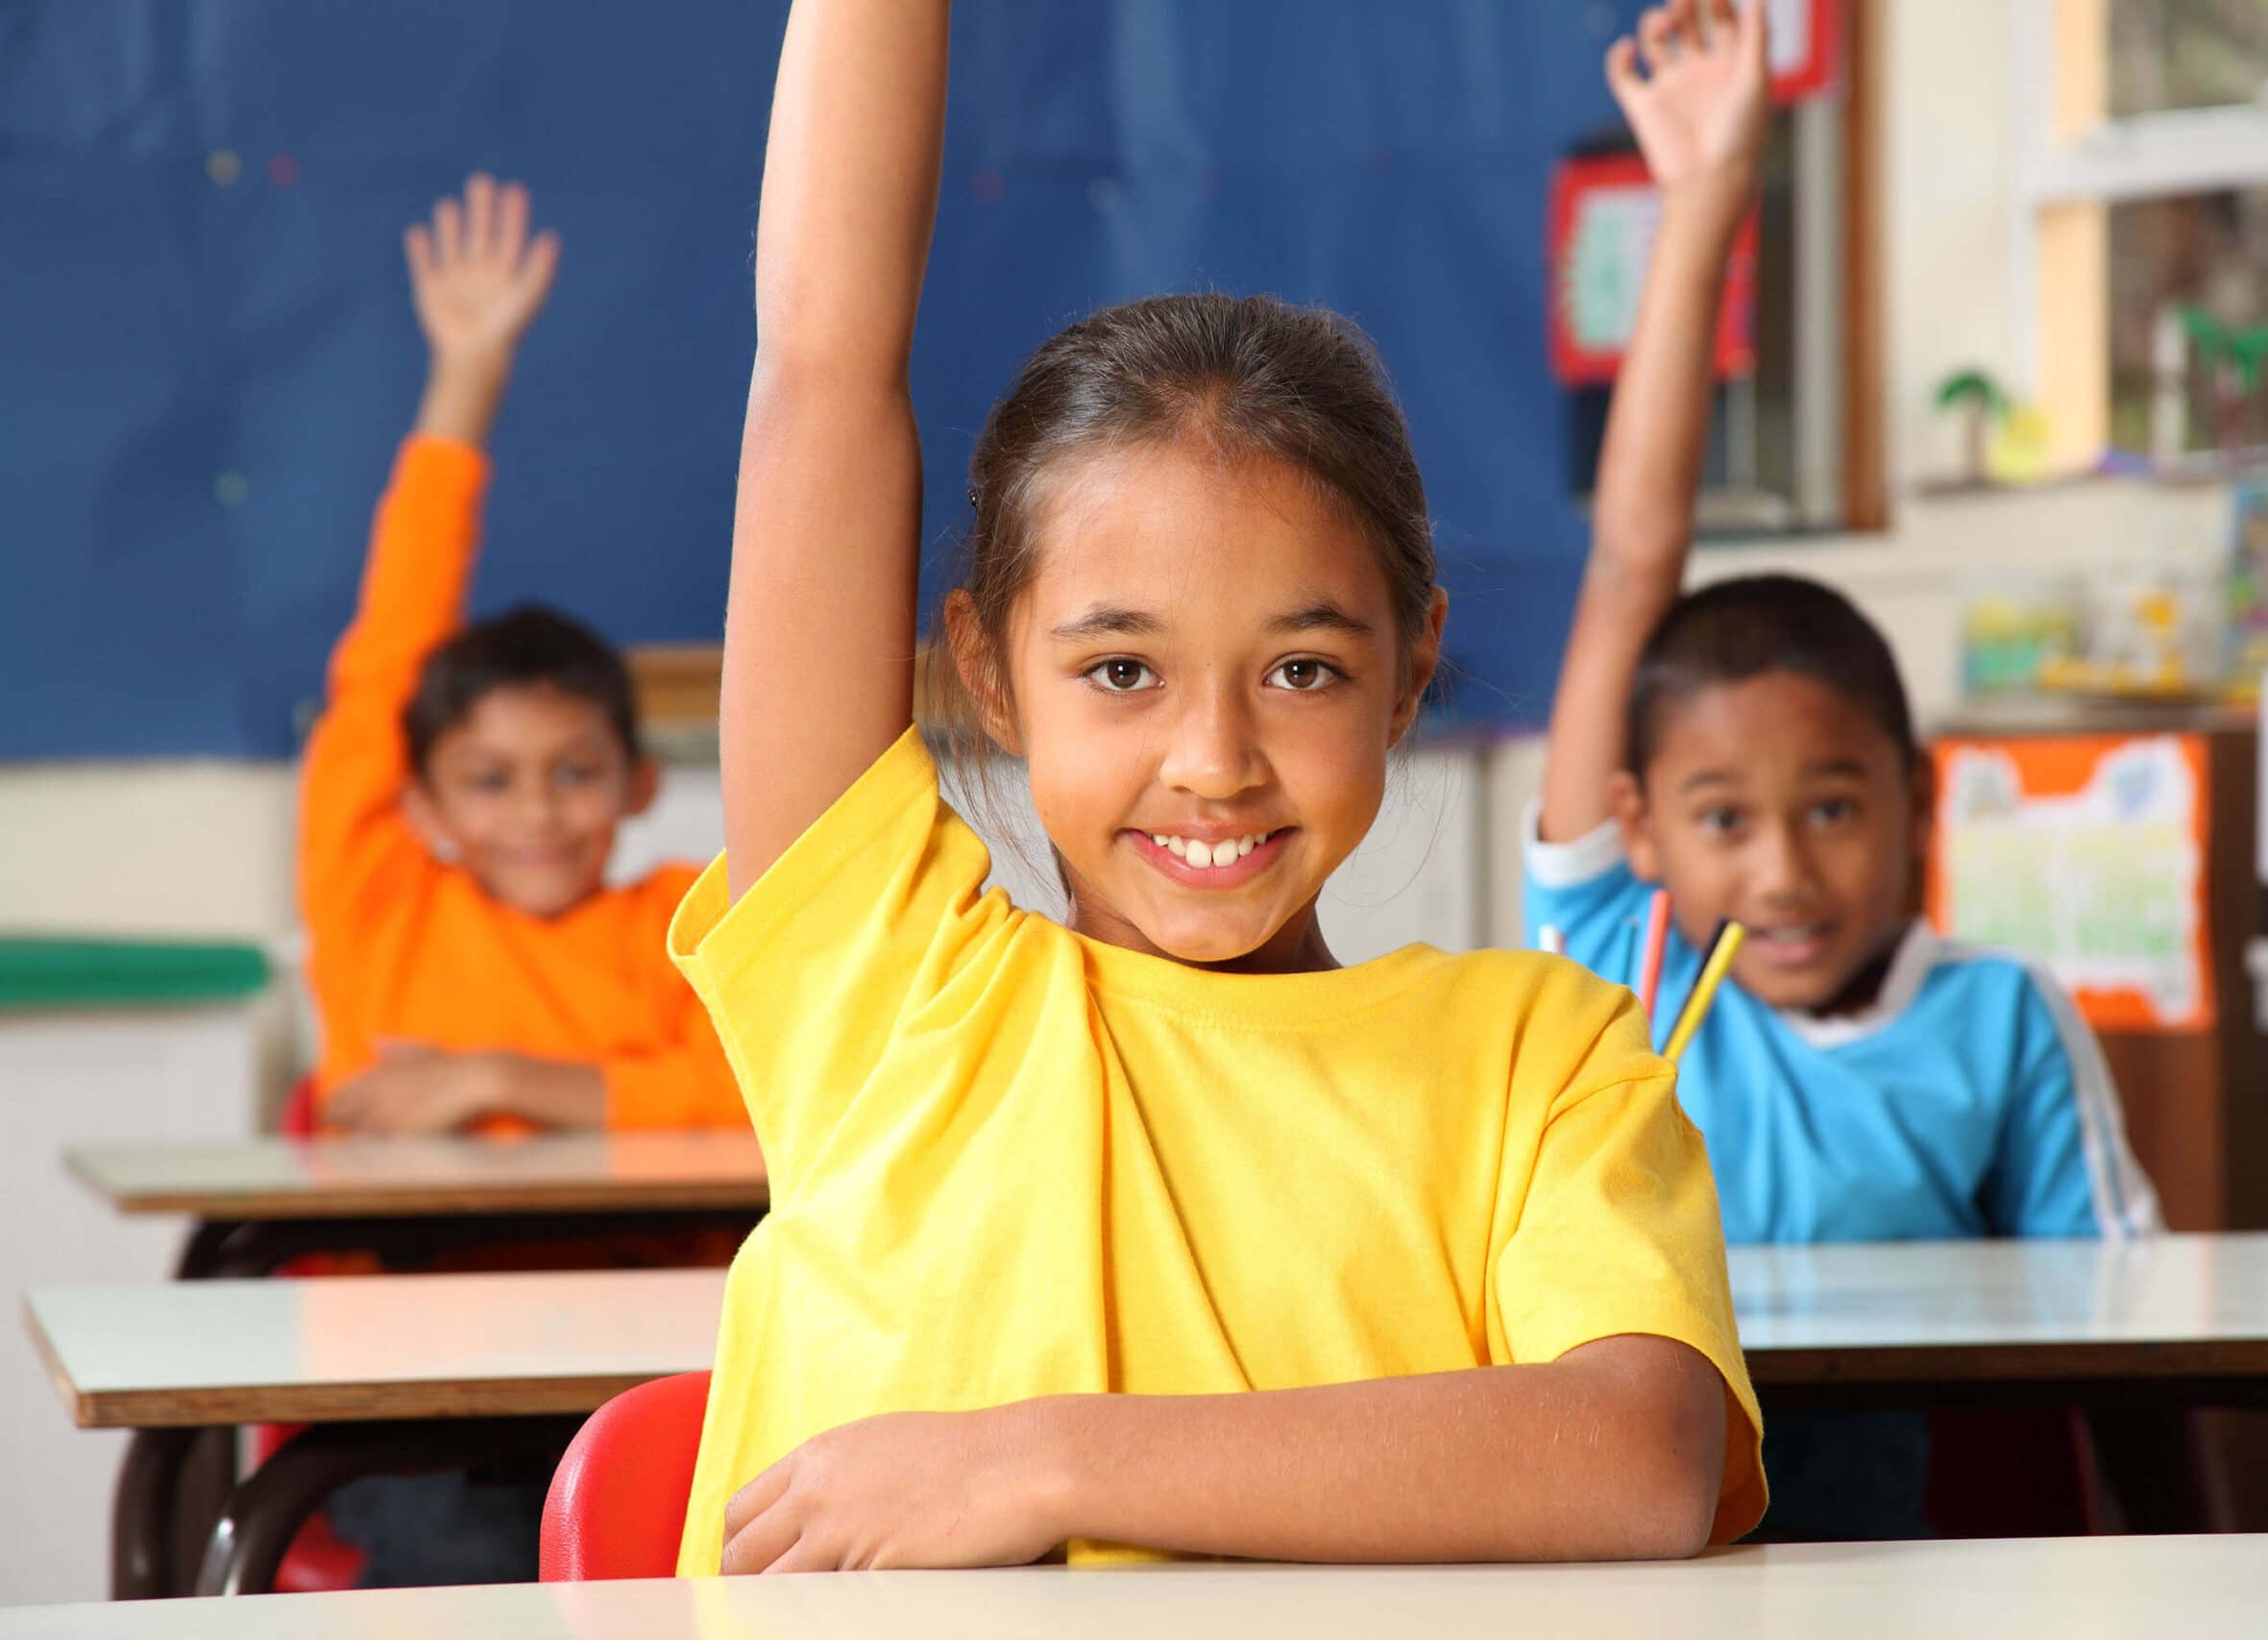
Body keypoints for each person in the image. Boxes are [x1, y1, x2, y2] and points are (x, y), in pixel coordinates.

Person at [666, 0, 1769, 1576]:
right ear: (988, 671)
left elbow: (1640, 1455)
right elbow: (821, 371)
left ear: (1408, 669)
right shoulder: (885, 993)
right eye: (1122, 670)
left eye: (1304, 668)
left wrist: (1049, 1457)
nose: (1214, 759)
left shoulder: (1542, 1057)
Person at [1527, 0, 2157, 1538]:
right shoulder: (1620, 968)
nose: (1785, 872)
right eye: (1723, 818)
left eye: (1832, 807)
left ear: (1918, 807)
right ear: (1636, 831)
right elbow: (1628, 563)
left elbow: (2142, 1347)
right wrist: (1708, 197)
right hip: (1654, 1561)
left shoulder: (1998, 1021)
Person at [302, 174, 744, 1138]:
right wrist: (470, 371)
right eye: (490, 780)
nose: (537, 812)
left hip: (641, 1284)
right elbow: (392, 642)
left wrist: (497, 1081)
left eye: (576, 772)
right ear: (422, 802)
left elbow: (765, 1101)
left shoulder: (685, 928)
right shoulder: (380, 899)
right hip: (399, 1287)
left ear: (638, 784)